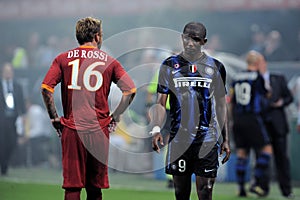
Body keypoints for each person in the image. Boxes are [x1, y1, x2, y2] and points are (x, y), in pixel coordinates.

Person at [41, 17, 136, 200]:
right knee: (95, 188)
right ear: (97, 36)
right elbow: (130, 90)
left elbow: (46, 89)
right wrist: (115, 117)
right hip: (99, 130)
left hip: (73, 129)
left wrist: (54, 117)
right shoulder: (110, 61)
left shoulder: (62, 59)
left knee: (72, 187)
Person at [150, 22, 231, 200]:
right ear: (182, 37)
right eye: (187, 38)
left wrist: (226, 138)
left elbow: (220, 105)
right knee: (181, 193)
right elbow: (161, 102)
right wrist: (156, 128)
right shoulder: (169, 65)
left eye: (195, 39)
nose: (190, 43)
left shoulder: (216, 67)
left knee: (206, 191)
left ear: (204, 41)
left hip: (207, 139)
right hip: (179, 139)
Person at [231, 51, 273, 197]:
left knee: (242, 153)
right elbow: (267, 93)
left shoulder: (236, 76)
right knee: (267, 150)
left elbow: (232, 99)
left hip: (238, 119)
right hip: (252, 118)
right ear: (257, 62)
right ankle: (255, 182)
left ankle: (241, 188)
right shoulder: (257, 77)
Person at [259, 54, 294, 199]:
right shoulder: (254, 80)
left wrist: (281, 103)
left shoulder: (278, 78)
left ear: (265, 63)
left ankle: (287, 190)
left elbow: (289, 97)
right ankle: (262, 189)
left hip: (278, 125)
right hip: (262, 125)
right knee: (263, 158)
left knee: (282, 159)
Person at [0, 62, 26, 175]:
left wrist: (23, 117)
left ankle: (5, 162)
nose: (8, 73)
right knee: (2, 142)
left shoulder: (17, 86)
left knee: (12, 143)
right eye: (6, 71)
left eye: (9, 71)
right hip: (1, 119)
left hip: (13, 119)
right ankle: (3, 166)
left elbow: (21, 104)